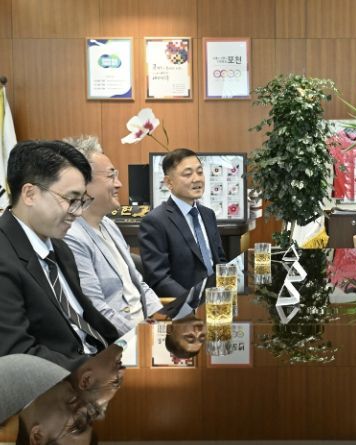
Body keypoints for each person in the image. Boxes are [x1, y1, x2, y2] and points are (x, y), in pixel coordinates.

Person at [0, 140, 119, 371]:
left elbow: (88, 321)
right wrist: (93, 369)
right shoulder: (4, 256)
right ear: (30, 194)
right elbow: (17, 356)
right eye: (70, 200)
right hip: (62, 382)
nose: (78, 212)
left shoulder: (59, 247)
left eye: (82, 201)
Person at [63, 136, 162, 335]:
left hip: (145, 330)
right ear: (82, 182)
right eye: (111, 176)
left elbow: (139, 284)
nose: (119, 184)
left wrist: (163, 320)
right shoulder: (71, 236)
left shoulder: (109, 224)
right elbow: (96, 309)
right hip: (119, 341)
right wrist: (142, 337)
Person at [139, 148, 227, 316]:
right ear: (169, 182)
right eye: (187, 174)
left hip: (217, 304)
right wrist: (192, 305)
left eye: (200, 172)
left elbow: (220, 260)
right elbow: (160, 279)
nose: (197, 179)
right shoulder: (155, 221)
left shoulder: (208, 214)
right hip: (184, 312)